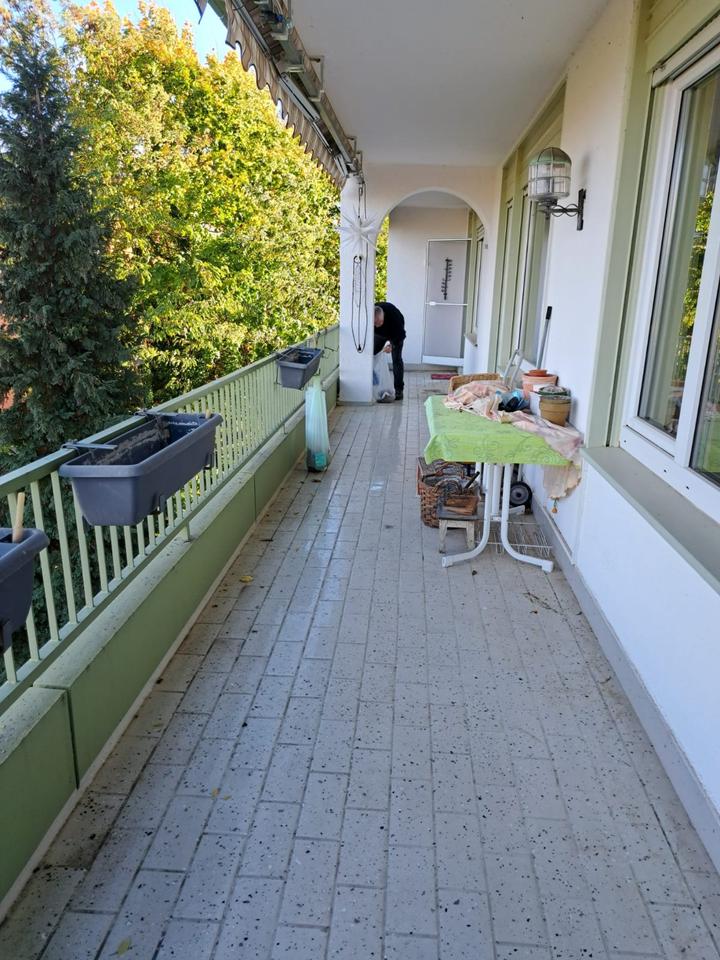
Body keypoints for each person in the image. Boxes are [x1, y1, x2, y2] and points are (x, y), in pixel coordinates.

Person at [373, 302, 406, 400]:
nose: (377, 325)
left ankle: (399, 390)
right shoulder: (369, 314)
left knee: (397, 360)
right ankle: (374, 384)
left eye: (379, 323)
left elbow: (401, 336)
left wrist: (391, 345)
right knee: (373, 355)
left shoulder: (396, 319)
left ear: (383, 316)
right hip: (379, 335)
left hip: (396, 335)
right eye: (375, 323)